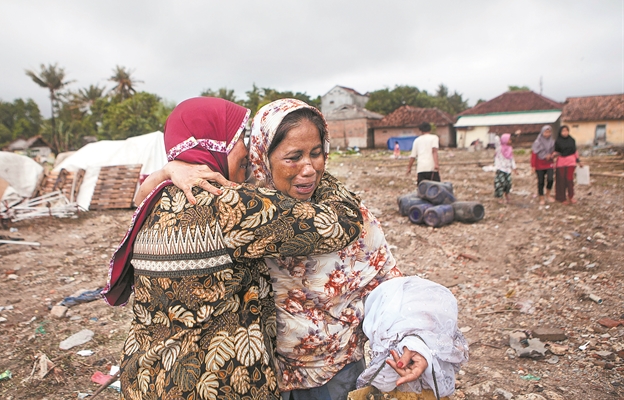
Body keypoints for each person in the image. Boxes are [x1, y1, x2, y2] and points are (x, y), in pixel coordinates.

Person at [146, 98, 468, 400]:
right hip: (266, 379)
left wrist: (412, 340)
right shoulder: (238, 208)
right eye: (293, 157)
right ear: (261, 157)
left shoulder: (346, 211)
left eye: (316, 152)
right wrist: (170, 170)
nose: (309, 168)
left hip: (336, 374)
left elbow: (386, 282)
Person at [102, 97, 365, 400]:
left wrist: (168, 169)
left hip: (146, 381)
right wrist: (314, 166)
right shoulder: (229, 206)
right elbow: (340, 224)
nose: (248, 149)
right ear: (212, 145)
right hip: (212, 386)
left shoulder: (156, 201)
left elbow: (139, 195)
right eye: (239, 137)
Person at [554, 125, 582, 204]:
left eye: (566, 131)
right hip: (561, 162)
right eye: (563, 131)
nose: (565, 132)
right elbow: (555, 152)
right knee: (561, 180)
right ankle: (562, 198)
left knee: (569, 179)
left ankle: (571, 196)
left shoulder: (572, 140)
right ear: (560, 132)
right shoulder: (557, 141)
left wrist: (578, 161)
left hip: (571, 161)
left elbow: (575, 151)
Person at [530, 125, 556, 205]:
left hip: (549, 163)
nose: (547, 134)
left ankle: (548, 194)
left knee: (550, 179)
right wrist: (533, 166)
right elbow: (534, 155)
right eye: (546, 132)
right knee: (541, 181)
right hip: (539, 164)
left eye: (549, 132)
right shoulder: (537, 142)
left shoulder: (552, 142)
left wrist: (551, 155)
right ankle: (541, 197)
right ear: (542, 132)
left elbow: (554, 152)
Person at [494, 133, 518, 203]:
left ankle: (507, 194)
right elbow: (496, 139)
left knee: (508, 184)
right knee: (501, 184)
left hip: (508, 170)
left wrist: (514, 168)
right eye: (509, 139)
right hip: (500, 169)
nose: (510, 141)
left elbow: (511, 159)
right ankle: (500, 198)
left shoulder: (510, 149)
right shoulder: (499, 148)